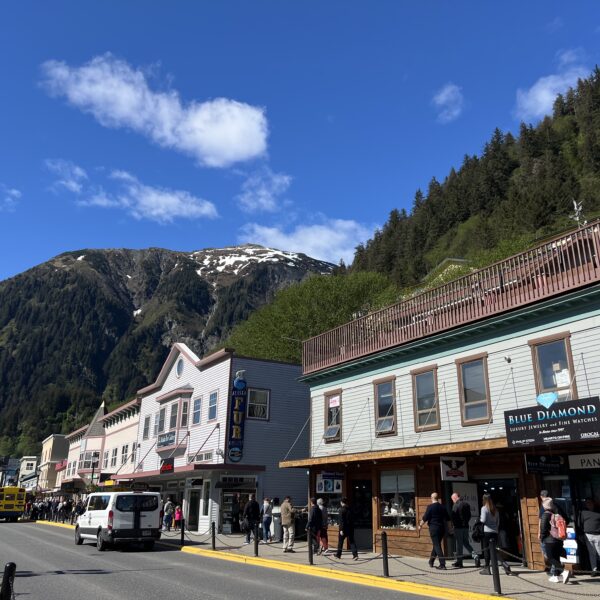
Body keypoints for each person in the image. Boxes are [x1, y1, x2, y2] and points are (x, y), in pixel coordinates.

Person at [540, 498, 570, 584]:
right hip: (559, 539)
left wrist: (542, 538)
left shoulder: (546, 514)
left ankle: (564, 571)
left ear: (545, 506)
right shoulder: (556, 514)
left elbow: (543, 528)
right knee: (556, 557)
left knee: (550, 558)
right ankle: (556, 576)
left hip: (550, 540)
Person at [419, 492, 449, 570]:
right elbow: (448, 518)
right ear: (437, 498)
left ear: (431, 498)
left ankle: (442, 564)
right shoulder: (443, 507)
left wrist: (420, 525)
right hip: (442, 528)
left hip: (434, 528)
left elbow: (425, 517)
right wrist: (450, 528)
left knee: (437, 545)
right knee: (436, 544)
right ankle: (431, 561)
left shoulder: (430, 507)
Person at [450, 492, 478, 568]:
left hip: (458, 528)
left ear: (455, 497)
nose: (452, 500)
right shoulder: (466, 504)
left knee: (459, 545)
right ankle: (476, 557)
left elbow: (453, 517)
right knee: (466, 543)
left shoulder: (455, 505)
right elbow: (469, 516)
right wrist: (465, 522)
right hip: (465, 527)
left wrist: (453, 526)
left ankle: (459, 562)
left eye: (452, 499)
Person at [579, 498, 600, 576]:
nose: (588, 504)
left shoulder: (598, 512)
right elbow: (580, 523)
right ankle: (594, 570)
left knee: (599, 553)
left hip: (598, 535)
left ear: (593, 503)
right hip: (588, 535)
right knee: (592, 554)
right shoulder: (583, 512)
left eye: (590, 503)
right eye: (587, 503)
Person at [479, 493, 499, 576]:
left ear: (484, 499)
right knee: (493, 550)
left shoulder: (484, 508)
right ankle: (501, 566)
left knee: (486, 550)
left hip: (487, 531)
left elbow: (483, 520)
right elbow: (498, 521)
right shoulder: (495, 509)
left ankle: (487, 568)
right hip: (495, 531)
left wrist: (479, 519)